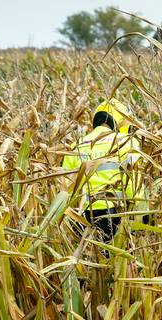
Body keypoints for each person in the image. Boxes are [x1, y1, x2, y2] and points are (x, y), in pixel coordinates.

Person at [61, 98, 143, 241]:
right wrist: (140, 215)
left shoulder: (77, 145)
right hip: (116, 214)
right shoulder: (127, 142)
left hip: (82, 216)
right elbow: (134, 185)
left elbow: (65, 187)